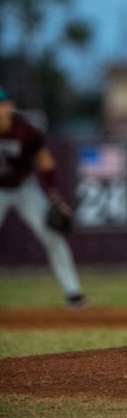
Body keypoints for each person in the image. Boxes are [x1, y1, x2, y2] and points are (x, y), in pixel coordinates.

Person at [0, 86, 86, 307]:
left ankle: (73, 293)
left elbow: (45, 161)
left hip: (24, 187)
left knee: (53, 235)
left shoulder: (25, 131)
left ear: (9, 106)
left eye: (2, 105)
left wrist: (53, 196)